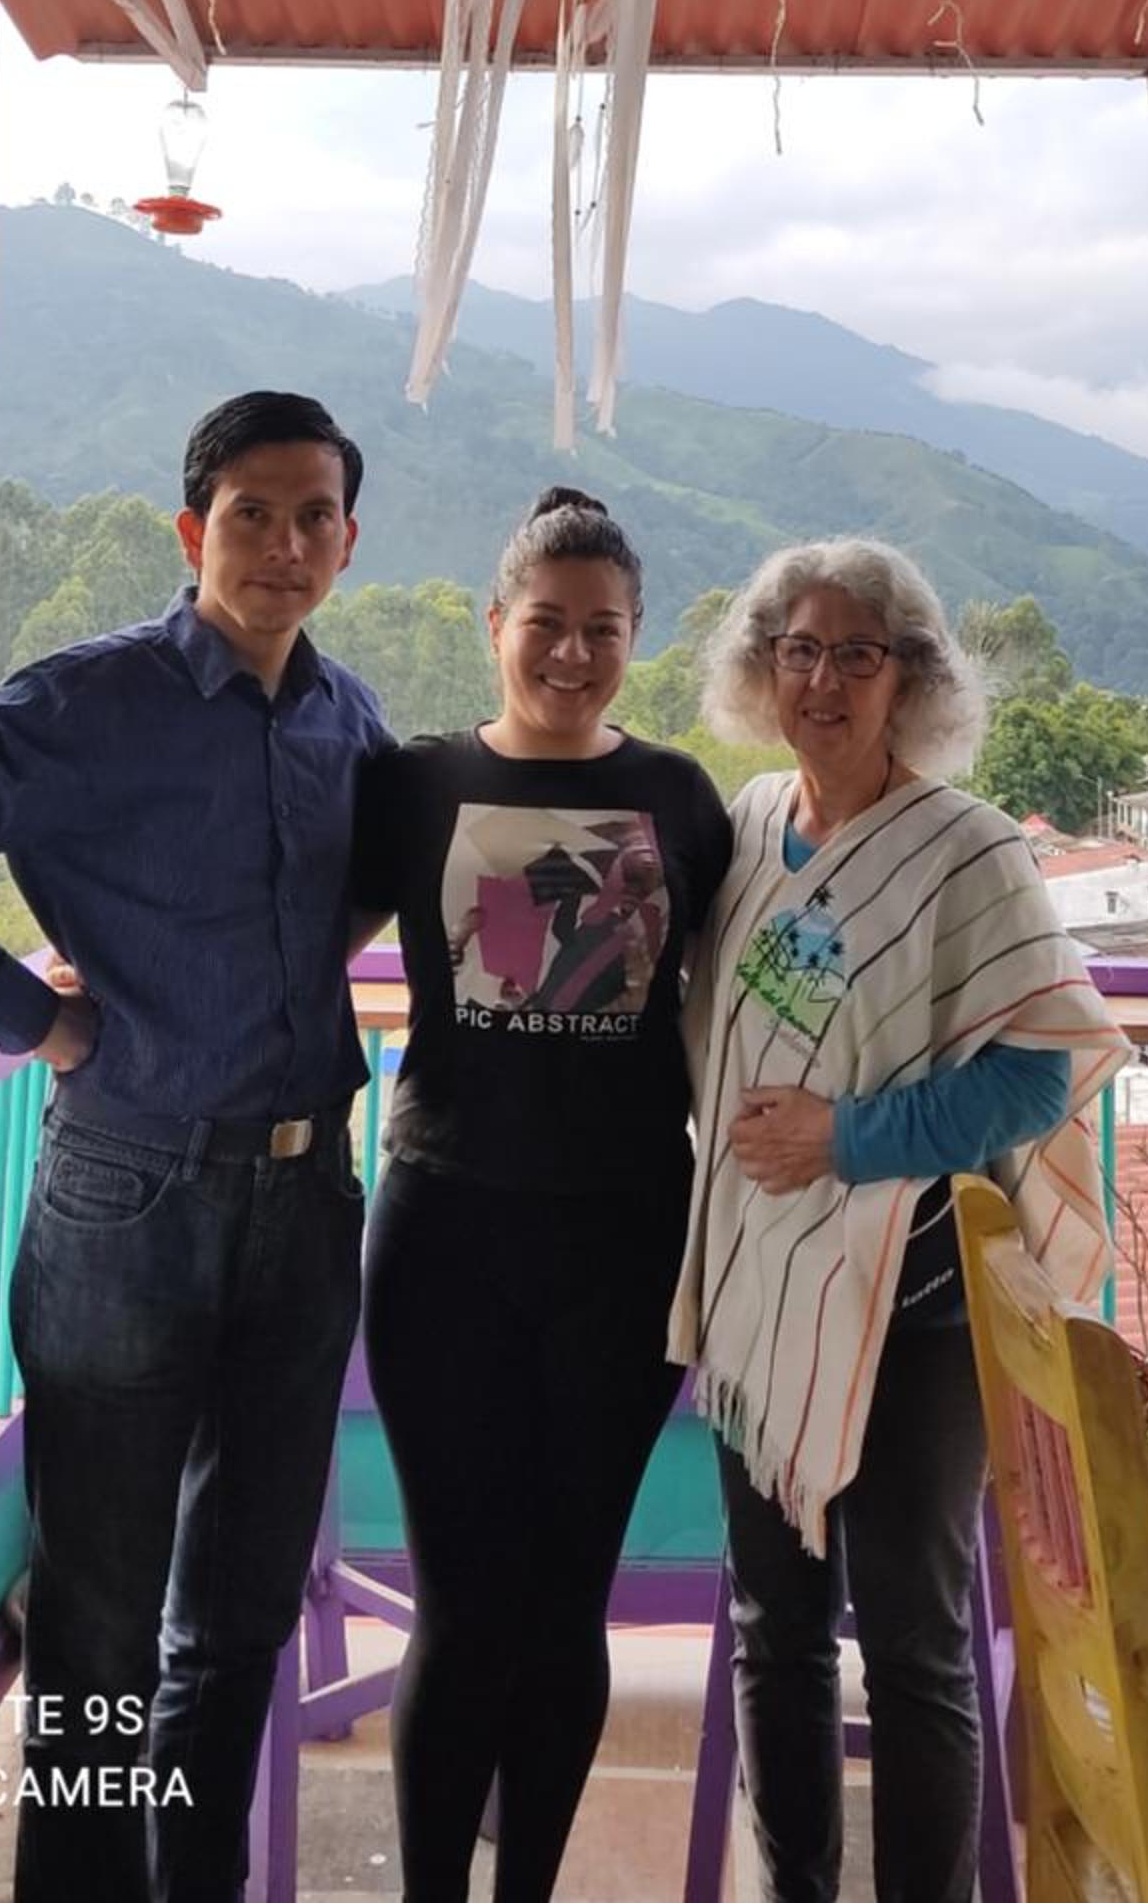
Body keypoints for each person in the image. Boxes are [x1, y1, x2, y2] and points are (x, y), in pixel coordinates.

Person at [0, 391, 390, 1903]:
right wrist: (28, 1016)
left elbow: (364, 888)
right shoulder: (85, 704)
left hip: (306, 1196)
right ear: (193, 531)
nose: (283, 544)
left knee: (241, 1614)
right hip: (129, 1192)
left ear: (347, 542)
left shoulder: (347, 718)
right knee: (101, 1618)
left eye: (313, 516)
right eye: (250, 513)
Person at [668, 539, 1129, 1903]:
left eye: (856, 655)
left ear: (909, 680)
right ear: (762, 669)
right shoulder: (752, 824)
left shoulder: (966, 852)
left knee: (918, 1646)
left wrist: (843, 1137)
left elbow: (1032, 1077)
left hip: (912, 1307)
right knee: (773, 1630)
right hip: (763, 1291)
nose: (823, 680)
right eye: (798, 650)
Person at [351, 489, 733, 1903]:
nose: (573, 654)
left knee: (568, 1600)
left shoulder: (683, 798)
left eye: (603, 629)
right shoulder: (414, 786)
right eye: (547, 623)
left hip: (626, 1241)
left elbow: (756, 993)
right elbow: (288, 933)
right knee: (460, 1604)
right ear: (493, 622)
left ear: (636, 637)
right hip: (444, 1231)